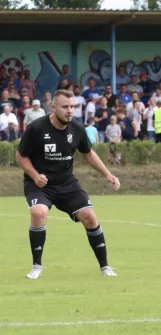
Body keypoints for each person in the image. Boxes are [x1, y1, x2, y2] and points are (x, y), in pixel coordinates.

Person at [15, 89, 120, 279]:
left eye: (72, 107)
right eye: (65, 107)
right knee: (38, 212)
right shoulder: (37, 128)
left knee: (89, 215)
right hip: (40, 184)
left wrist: (108, 174)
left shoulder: (78, 129)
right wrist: (34, 175)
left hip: (66, 183)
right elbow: (20, 155)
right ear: (54, 107)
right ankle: (36, 266)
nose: (70, 111)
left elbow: (88, 154)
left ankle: (105, 267)